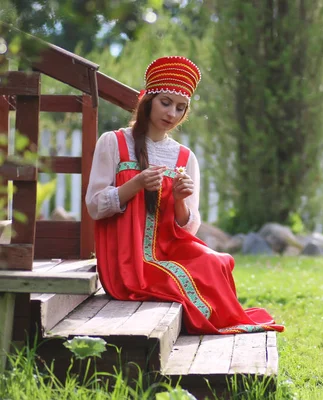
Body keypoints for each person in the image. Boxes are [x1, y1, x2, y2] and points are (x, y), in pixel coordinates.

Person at [85, 56, 284, 334]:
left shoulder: (184, 157)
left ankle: (222, 318)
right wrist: (136, 184)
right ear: (149, 100)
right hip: (126, 262)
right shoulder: (114, 142)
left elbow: (189, 227)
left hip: (169, 249)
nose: (172, 114)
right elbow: (95, 207)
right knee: (184, 276)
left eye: (180, 108)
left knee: (215, 262)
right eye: (165, 102)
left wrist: (179, 200)